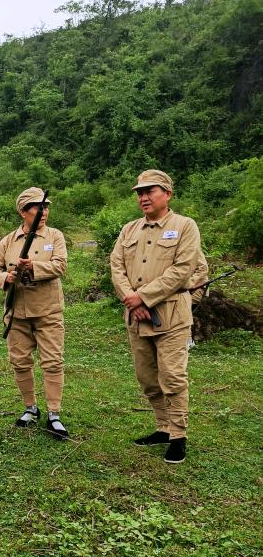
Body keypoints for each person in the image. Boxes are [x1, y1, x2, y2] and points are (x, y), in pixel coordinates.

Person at [110, 169, 204, 464]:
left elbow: (183, 270)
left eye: (150, 191)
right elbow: (116, 267)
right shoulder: (129, 230)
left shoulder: (185, 226)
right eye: (139, 192)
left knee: (173, 377)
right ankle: (162, 427)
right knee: (147, 378)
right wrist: (132, 300)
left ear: (167, 194)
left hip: (172, 316)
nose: (143, 197)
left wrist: (144, 296)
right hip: (137, 318)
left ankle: (178, 436)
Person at [0, 188, 69, 439]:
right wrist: (6, 277)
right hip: (17, 311)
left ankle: (54, 413)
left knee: (53, 361)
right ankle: (30, 408)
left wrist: (34, 267)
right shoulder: (8, 241)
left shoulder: (55, 236)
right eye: (37, 208)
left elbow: (60, 265)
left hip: (48, 310)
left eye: (45, 208)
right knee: (20, 362)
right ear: (23, 212)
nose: (43, 212)